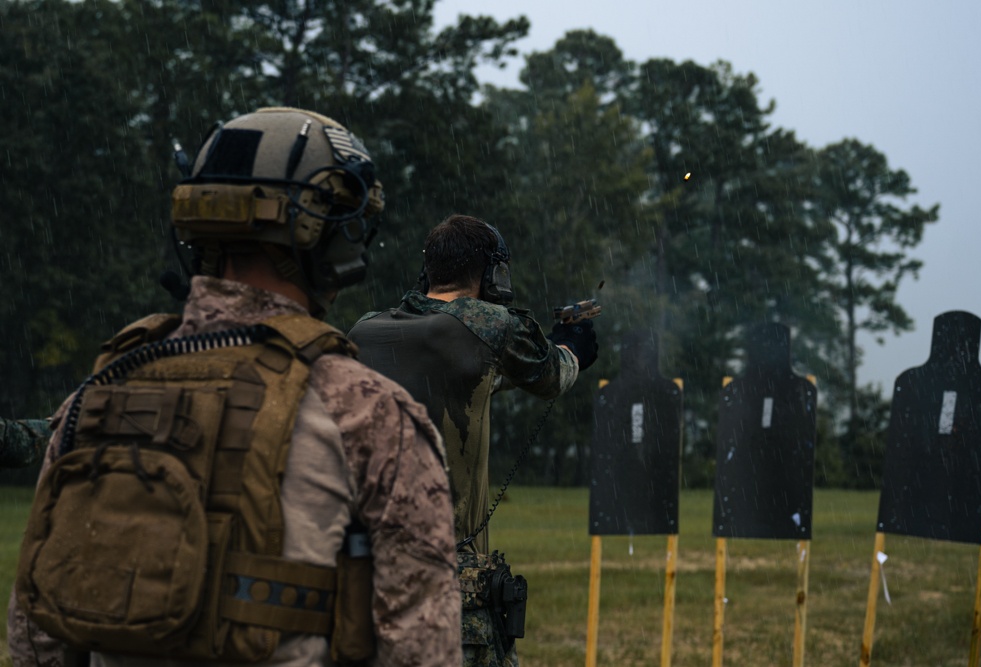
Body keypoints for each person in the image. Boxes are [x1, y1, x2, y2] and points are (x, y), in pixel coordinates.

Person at [8, 107, 461, 667]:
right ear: (321, 232)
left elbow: (37, 639)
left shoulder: (94, 397)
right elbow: (422, 648)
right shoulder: (369, 413)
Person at [347, 214, 599, 667]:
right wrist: (573, 348)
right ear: (488, 272)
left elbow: (467, 380)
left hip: (364, 575)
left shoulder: (366, 330)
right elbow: (550, 376)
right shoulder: (491, 322)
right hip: (449, 586)